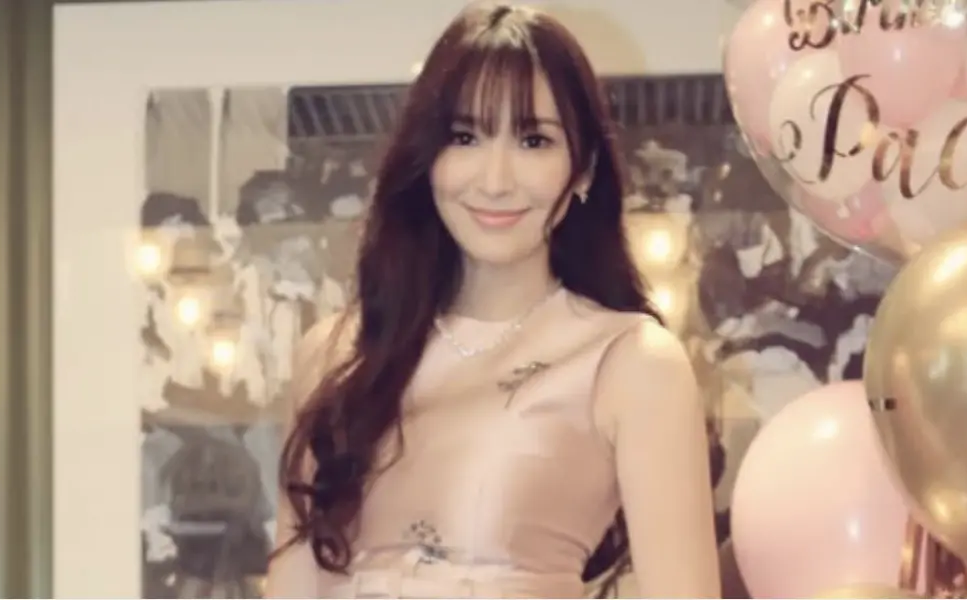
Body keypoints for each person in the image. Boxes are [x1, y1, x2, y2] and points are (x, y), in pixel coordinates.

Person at [265, 3, 721, 598]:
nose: (496, 180)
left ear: (583, 168)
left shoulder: (630, 362)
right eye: (465, 137)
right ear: (428, 158)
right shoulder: (335, 355)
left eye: (534, 140)